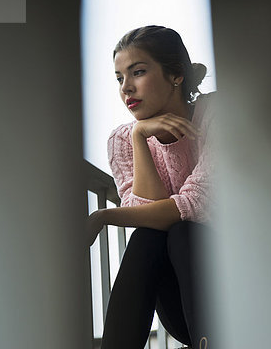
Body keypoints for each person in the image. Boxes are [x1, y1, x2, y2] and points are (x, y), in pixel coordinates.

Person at [86, 25, 214, 349]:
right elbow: (146, 217)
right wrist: (139, 136)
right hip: (182, 310)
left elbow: (194, 205)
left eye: (138, 72)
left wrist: (104, 217)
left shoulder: (216, 115)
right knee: (149, 234)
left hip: (238, 288)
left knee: (185, 230)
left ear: (175, 75)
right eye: (119, 78)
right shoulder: (123, 139)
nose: (126, 88)